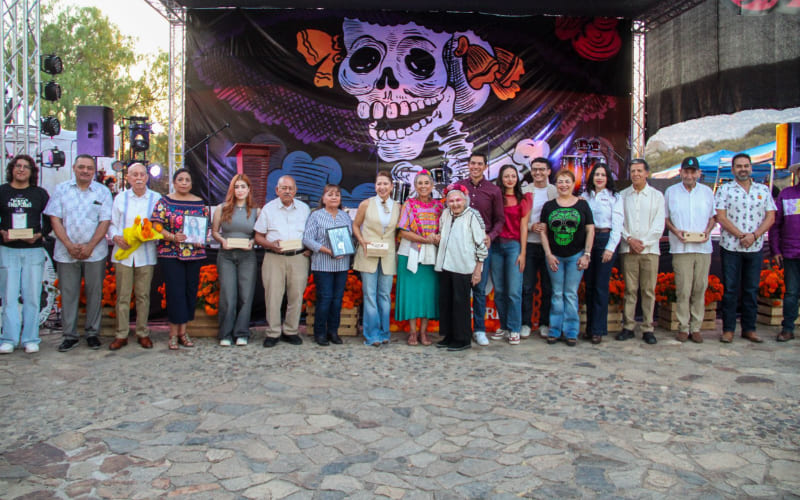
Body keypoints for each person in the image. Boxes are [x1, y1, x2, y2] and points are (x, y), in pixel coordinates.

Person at [45, 154, 112, 352]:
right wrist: (68, 244)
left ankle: (92, 333)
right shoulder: (61, 190)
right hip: (66, 251)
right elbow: (55, 219)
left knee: (94, 293)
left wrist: (90, 246)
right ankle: (69, 335)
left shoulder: (102, 192)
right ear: (74, 168)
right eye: (81, 167)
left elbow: (105, 221)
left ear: (94, 171)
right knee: (68, 294)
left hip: (95, 251)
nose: (85, 171)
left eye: (89, 168)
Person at [715, 153, 776, 343]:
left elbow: (771, 217)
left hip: (755, 247)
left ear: (751, 168)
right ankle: (728, 329)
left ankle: (749, 329)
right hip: (731, 247)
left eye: (746, 166)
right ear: (733, 170)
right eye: (739, 166)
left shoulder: (763, 190)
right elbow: (721, 217)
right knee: (731, 289)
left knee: (751, 289)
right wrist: (741, 235)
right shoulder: (725, 190)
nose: (743, 169)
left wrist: (754, 236)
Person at [151, 168, 209, 350]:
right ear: (174, 182)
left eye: (187, 180)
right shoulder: (164, 201)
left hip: (194, 254)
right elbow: (156, 226)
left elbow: (204, 228)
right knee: (175, 293)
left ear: (191, 183)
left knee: (190, 292)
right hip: (171, 253)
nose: (184, 182)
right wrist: (172, 237)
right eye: (180, 179)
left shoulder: (200, 203)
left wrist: (201, 240)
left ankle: (184, 332)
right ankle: (173, 334)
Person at [0, 155, 51, 354]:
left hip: (33, 250)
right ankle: (8, 339)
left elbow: (50, 220)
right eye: (18, 166)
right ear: (12, 169)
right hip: (8, 250)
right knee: (9, 296)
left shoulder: (39, 194)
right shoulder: (2, 192)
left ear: (32, 171)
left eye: (26, 167)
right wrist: (2, 232)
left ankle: (31, 338)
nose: (21, 170)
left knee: (31, 296)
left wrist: (39, 234)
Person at [108, 162, 161, 351]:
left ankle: (142, 333)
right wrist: (115, 236)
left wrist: (153, 233)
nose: (138, 178)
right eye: (134, 174)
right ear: (128, 178)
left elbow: (160, 225)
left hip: (146, 254)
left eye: (142, 174)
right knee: (122, 296)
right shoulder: (120, 198)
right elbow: (112, 223)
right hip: (123, 254)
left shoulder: (156, 198)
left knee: (143, 296)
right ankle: (121, 334)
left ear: (147, 177)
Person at [253, 175, 311, 348]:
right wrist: (271, 245)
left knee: (296, 295)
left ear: (295, 190)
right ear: (277, 190)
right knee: (273, 296)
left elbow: (311, 233)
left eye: (290, 188)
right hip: (274, 257)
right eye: (283, 188)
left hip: (299, 257)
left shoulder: (304, 209)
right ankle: (273, 332)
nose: (287, 191)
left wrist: (309, 248)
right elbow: (258, 236)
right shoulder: (268, 209)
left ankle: (291, 331)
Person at [664, 156, 717, 344]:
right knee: (683, 289)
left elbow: (713, 217)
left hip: (703, 248)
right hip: (681, 247)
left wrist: (708, 231)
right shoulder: (671, 192)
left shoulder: (707, 192)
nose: (689, 175)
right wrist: (676, 231)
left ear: (699, 173)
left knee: (699, 288)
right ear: (680, 172)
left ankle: (696, 327)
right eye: (686, 171)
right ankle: (683, 327)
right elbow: (666, 218)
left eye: (693, 171)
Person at [540, 169, 594, 346]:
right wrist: (548, 254)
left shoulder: (583, 205)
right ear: (556, 184)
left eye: (567, 181)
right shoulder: (549, 206)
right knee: (556, 293)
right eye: (560, 181)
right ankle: (554, 330)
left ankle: (571, 331)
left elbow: (590, 230)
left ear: (573, 183)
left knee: (570, 294)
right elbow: (543, 232)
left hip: (575, 257)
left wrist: (586, 254)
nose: (563, 185)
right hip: (555, 257)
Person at [456, 153, 504, 346]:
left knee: (479, 288)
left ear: (485, 167)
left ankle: (480, 329)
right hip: (460, 245)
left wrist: (490, 237)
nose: (475, 166)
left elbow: (500, 220)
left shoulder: (493, 190)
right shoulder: (459, 187)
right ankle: (461, 329)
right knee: (460, 288)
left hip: (482, 246)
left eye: (479, 164)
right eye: (472, 163)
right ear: (468, 165)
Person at [617, 159, 665, 345]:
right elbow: (618, 223)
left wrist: (642, 243)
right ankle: (628, 326)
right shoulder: (622, 196)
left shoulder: (657, 196)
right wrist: (629, 239)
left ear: (647, 173)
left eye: (639, 170)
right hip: (628, 249)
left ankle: (647, 328)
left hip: (650, 251)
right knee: (630, 290)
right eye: (632, 171)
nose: (635, 174)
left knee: (648, 290)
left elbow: (658, 225)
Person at [435, 184, 488, 351]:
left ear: (465, 200)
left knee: (461, 303)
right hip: (445, 266)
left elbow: (481, 244)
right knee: (447, 302)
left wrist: (478, 269)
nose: (455, 204)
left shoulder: (473, 216)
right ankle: (449, 335)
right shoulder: (445, 214)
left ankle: (463, 338)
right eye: (451, 201)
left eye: (458, 200)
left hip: (463, 267)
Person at [353, 171, 400, 347]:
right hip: (368, 254)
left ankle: (384, 332)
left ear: (391, 186)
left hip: (387, 255)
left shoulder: (397, 206)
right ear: (375, 186)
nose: (382, 187)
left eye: (385, 184)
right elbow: (356, 225)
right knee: (370, 295)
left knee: (384, 295)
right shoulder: (366, 204)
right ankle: (371, 335)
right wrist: (361, 240)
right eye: (379, 184)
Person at [211, 174, 259, 347]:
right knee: (228, 295)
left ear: (249, 190)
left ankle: (242, 333)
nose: (240, 190)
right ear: (232, 189)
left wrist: (252, 243)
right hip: (226, 256)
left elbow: (259, 235)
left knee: (246, 296)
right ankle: (225, 333)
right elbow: (215, 231)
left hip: (247, 256)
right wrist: (222, 241)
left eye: (243, 187)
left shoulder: (256, 210)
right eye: (237, 187)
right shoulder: (221, 208)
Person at [396, 170, 443, 346]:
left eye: (426, 183)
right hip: (410, 253)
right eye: (420, 183)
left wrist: (437, 238)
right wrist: (425, 239)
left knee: (427, 295)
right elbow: (403, 231)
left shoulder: (440, 207)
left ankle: (424, 332)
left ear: (432, 186)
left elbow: (443, 230)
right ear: (415, 186)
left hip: (431, 257)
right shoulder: (408, 204)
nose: (423, 186)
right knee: (412, 295)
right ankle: (413, 332)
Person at [303, 184, 353, 346]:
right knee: (325, 298)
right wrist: (326, 250)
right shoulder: (316, 216)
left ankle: (333, 332)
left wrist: (346, 248)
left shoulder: (345, 217)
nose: (334, 197)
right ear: (323, 198)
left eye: (337, 194)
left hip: (341, 264)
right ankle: (320, 333)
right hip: (322, 264)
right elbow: (308, 239)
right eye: (330, 194)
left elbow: (350, 238)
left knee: (337, 300)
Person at [488, 165, 531, 345]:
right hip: (496, 247)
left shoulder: (524, 198)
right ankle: (504, 326)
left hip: (513, 246)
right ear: (501, 178)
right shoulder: (496, 198)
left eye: (513, 176)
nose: (510, 179)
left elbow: (523, 227)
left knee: (514, 291)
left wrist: (523, 252)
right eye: (507, 176)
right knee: (499, 290)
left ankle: (515, 328)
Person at [582, 163, 623, 344]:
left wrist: (610, 248)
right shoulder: (584, 197)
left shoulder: (615, 197)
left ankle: (598, 330)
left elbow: (618, 225)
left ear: (608, 178)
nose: (599, 178)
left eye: (603, 175)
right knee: (589, 286)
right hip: (588, 242)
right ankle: (589, 328)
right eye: (596, 174)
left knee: (600, 287)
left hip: (605, 240)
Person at [521, 157, 557, 339]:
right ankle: (525, 323)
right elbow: (518, 219)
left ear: (549, 171)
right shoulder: (524, 191)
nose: (538, 173)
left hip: (549, 246)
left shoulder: (556, 191)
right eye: (535, 169)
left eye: (542, 169)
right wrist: (530, 227)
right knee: (527, 286)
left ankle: (544, 323)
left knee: (548, 287)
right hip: (528, 244)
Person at [769, 163, 800, 343]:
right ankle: (788, 328)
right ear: (796, 174)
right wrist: (776, 249)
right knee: (791, 293)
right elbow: (775, 225)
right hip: (791, 252)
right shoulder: (786, 194)